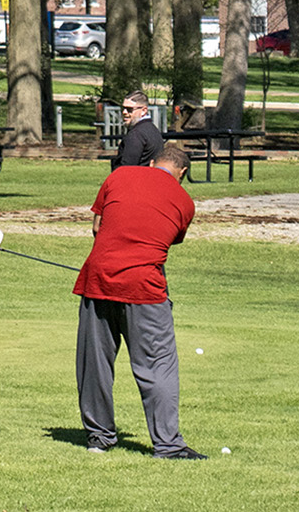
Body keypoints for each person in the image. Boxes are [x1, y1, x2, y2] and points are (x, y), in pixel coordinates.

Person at [74, 145, 205, 459]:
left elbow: (97, 227)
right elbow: (168, 239)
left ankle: (99, 437)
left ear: (151, 163)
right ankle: (168, 445)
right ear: (183, 173)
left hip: (99, 279)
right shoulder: (185, 202)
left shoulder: (119, 175)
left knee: (95, 364)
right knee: (157, 365)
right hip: (144, 288)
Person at [112, 91, 163, 169]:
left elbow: (127, 169)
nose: (124, 112)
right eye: (123, 108)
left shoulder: (136, 134)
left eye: (129, 109)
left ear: (144, 110)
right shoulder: (152, 129)